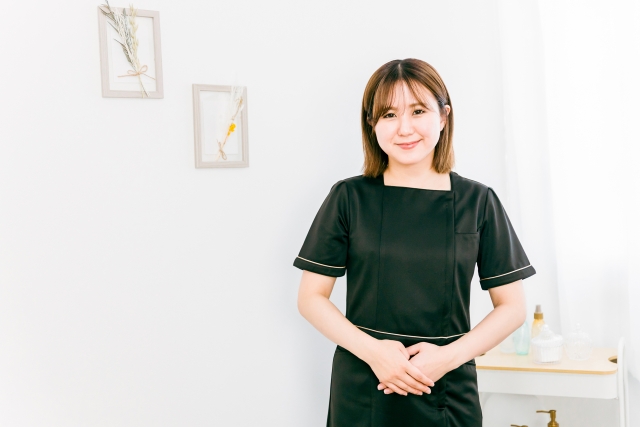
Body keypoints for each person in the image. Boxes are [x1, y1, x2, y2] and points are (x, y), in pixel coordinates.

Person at [294, 58, 535, 426]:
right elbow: (311, 298)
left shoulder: (477, 202)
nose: (404, 128)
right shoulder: (348, 198)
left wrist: (447, 358)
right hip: (364, 385)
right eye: (389, 115)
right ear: (372, 124)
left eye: (418, 111)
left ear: (443, 117)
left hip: (447, 386)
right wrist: (375, 353)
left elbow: (512, 308)